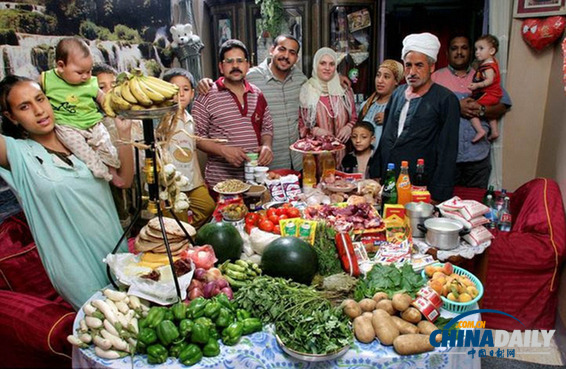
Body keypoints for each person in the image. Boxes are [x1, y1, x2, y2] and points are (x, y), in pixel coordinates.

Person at [0, 75, 134, 310]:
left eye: (40, 99)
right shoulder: (18, 154)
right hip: (76, 269)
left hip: (117, 253)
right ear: (12, 117)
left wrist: (124, 135)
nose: (39, 111)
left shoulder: (80, 139)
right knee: (106, 332)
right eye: (24, 107)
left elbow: (123, 179)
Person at [368, 32, 460, 203]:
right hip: (391, 179)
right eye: (408, 65)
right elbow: (387, 137)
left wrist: (438, 195)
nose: (412, 72)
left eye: (419, 65)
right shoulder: (398, 93)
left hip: (421, 185)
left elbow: (448, 151)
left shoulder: (446, 100)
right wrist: (377, 173)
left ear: (432, 67)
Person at [432, 34, 511, 189]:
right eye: (454, 48)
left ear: (471, 52)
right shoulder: (435, 78)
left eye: (464, 48)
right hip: (446, 158)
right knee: (444, 207)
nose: (459, 52)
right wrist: (456, 107)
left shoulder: (483, 76)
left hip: (477, 158)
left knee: (475, 206)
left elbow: (503, 105)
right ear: (447, 53)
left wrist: (481, 110)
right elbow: (425, 113)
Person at [192, 39, 274, 188]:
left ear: (247, 65)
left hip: (254, 182)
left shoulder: (257, 94)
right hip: (221, 183)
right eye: (229, 61)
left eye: (240, 61)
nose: (235, 66)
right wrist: (223, 151)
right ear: (221, 67)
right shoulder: (206, 95)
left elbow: (266, 128)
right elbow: (196, 137)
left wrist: (267, 146)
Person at [40, 37, 120, 183]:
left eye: (89, 71)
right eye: (80, 72)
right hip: (67, 125)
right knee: (84, 153)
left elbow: (102, 98)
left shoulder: (90, 82)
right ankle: (100, 172)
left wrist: (113, 109)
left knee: (106, 144)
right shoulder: (46, 79)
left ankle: (112, 170)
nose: (86, 76)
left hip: (92, 122)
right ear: (61, 66)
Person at [161, 68, 215, 228]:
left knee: (208, 207)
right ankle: (183, 241)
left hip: (192, 181)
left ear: (192, 94)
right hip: (172, 184)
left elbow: (192, 154)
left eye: (185, 90)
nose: (181, 94)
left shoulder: (191, 120)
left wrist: (200, 179)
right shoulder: (164, 120)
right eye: (176, 90)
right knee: (178, 220)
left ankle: (191, 232)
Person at [298, 47, 357, 166]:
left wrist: (349, 127)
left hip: (344, 154)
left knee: (343, 183)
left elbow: (354, 117)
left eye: (331, 64)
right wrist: (314, 130)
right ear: (316, 65)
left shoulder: (344, 90)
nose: (327, 68)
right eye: (322, 63)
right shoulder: (307, 90)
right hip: (317, 158)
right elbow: (301, 124)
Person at [358, 59, 404, 146]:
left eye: (386, 77)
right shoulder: (366, 106)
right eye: (378, 75)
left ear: (396, 81)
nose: (380, 80)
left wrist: (389, 119)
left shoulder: (400, 107)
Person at [468, 34, 503, 142]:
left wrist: (477, 85)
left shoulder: (488, 67)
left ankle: (480, 130)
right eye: (476, 49)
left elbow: (489, 80)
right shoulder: (492, 63)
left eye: (481, 49)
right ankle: (494, 131)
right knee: (490, 114)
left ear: (492, 51)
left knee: (471, 108)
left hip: (488, 94)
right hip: (494, 95)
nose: (477, 52)